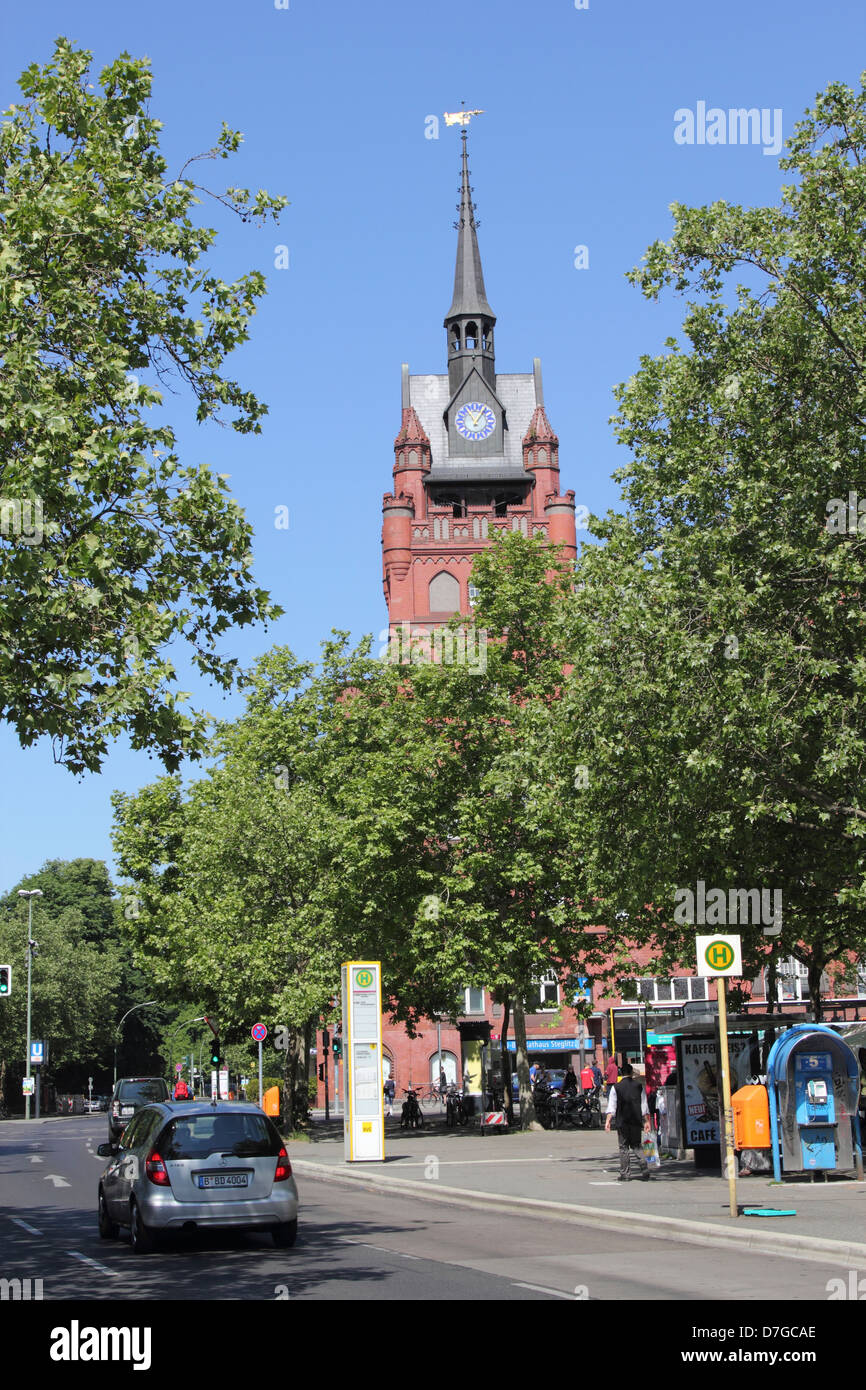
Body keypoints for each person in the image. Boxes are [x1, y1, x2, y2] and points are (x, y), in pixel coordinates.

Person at [605, 1062, 652, 1181]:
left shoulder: (616, 1087)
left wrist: (608, 1121)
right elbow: (644, 1105)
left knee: (623, 1147)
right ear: (631, 1073)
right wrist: (646, 1121)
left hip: (622, 1121)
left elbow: (612, 1106)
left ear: (621, 1073)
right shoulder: (639, 1086)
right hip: (636, 1120)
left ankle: (625, 1174)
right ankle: (645, 1169)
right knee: (637, 1145)